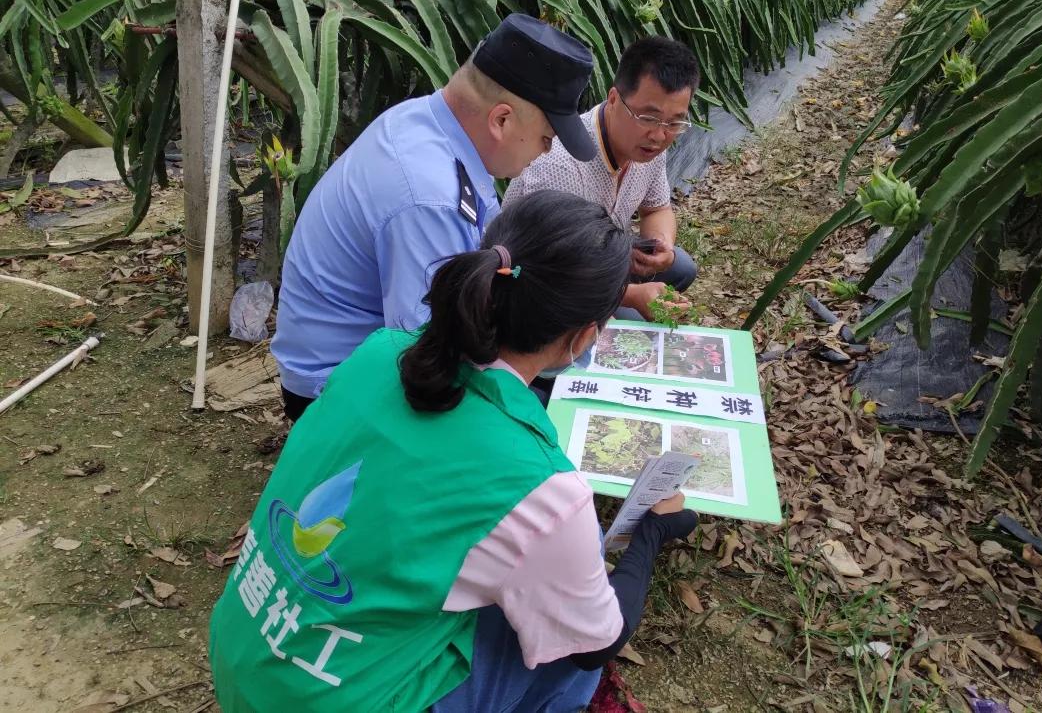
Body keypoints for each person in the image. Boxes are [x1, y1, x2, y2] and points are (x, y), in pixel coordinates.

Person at [208, 191, 698, 712]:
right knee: (560, 638)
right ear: (582, 339)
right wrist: (652, 532)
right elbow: (598, 641)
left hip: (246, 660)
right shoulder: (542, 488)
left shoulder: (381, 351)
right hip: (337, 700)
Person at [271, 14, 597, 422]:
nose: (545, 154)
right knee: (543, 412)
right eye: (547, 139)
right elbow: (429, 353)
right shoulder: (429, 197)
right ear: (501, 120)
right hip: (336, 391)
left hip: (369, 352)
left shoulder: (430, 123)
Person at [503, 35, 701, 321]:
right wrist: (631, 295)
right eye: (648, 117)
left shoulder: (650, 145)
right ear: (613, 99)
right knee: (636, 326)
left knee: (680, 267)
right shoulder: (562, 165)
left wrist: (661, 243)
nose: (659, 136)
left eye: (674, 123)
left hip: (595, 255)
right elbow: (548, 272)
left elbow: (656, 208)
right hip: (533, 280)